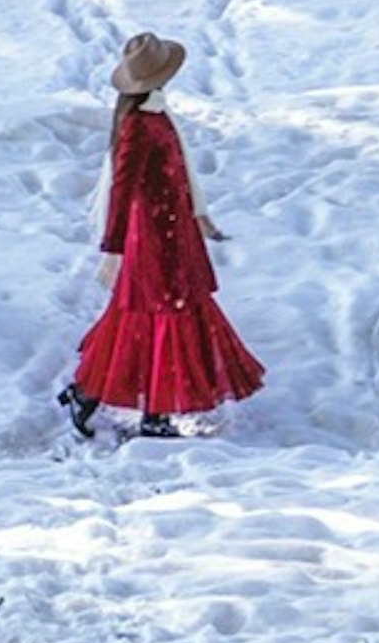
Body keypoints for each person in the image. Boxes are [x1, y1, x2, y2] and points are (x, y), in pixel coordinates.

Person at [66, 31, 262, 428]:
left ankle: (92, 396)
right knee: (159, 316)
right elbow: (123, 188)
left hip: (175, 232)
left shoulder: (156, 115)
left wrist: (197, 215)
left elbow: (178, 175)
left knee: (155, 315)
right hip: (152, 238)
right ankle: (147, 411)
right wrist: (115, 247)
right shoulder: (140, 125)